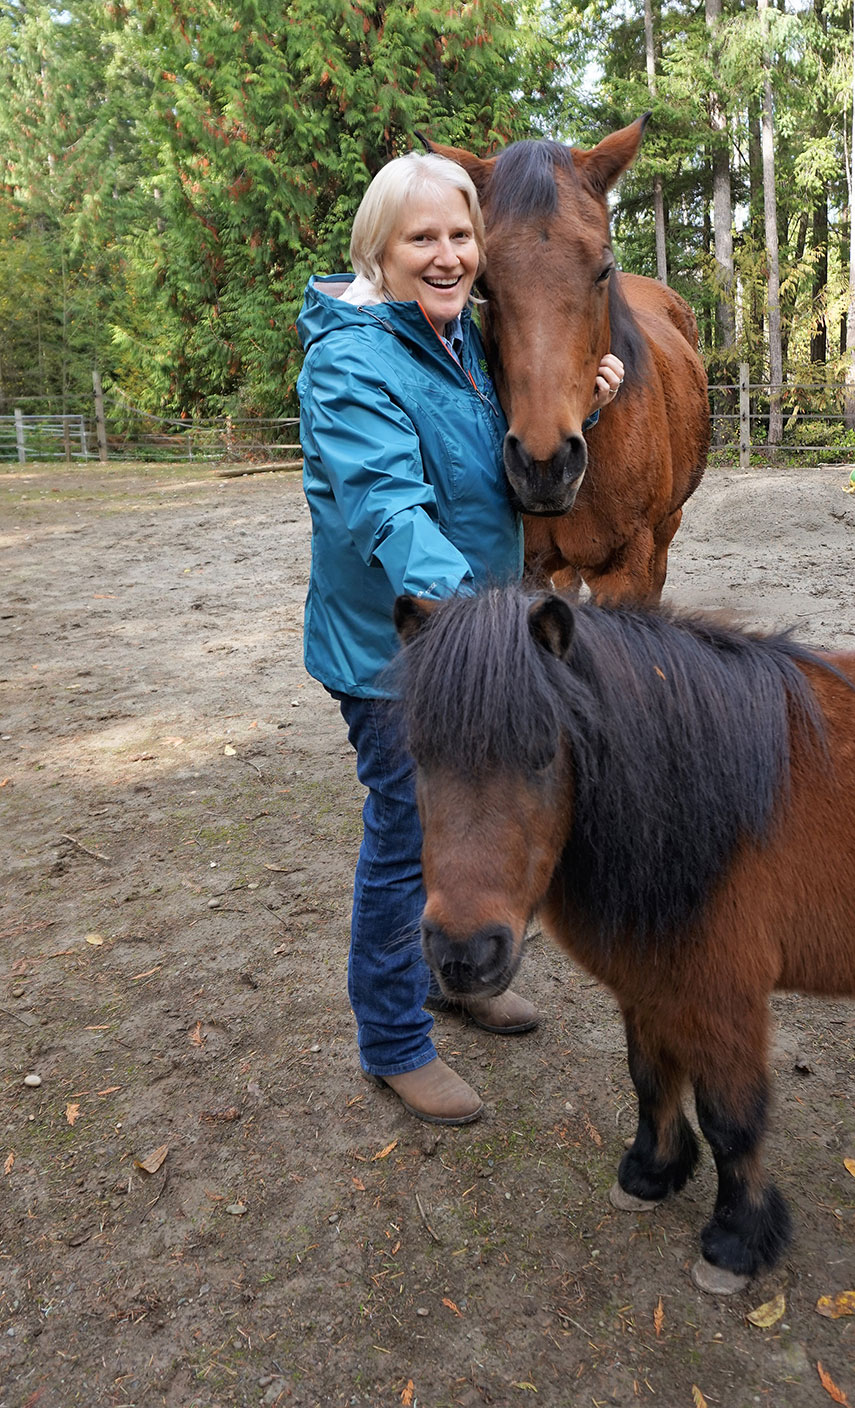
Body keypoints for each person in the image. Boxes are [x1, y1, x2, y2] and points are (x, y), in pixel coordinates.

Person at [296, 152, 624, 1125]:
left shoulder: (453, 344)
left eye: (460, 236)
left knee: (469, 828)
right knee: (408, 841)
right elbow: (389, 513)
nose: (447, 256)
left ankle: (459, 981)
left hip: (467, 641)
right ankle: (394, 1040)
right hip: (398, 654)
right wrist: (492, 630)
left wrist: (585, 406)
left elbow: (487, 454)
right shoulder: (353, 360)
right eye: (421, 237)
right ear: (379, 250)